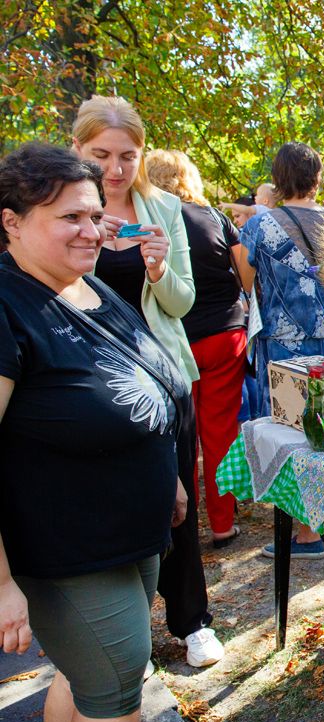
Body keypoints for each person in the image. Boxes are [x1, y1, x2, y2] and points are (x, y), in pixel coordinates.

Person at [0, 142, 189, 722]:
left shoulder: (88, 285)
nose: (89, 230)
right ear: (12, 223)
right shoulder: (8, 306)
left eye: (92, 215)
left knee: (88, 677)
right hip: (67, 548)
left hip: (129, 529)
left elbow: (140, 388)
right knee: (113, 684)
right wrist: (1, 584)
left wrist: (165, 475)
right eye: (68, 218)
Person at [72, 96, 224, 670]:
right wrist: (88, 245)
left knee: (176, 494)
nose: (114, 169)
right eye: (101, 155)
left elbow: (183, 301)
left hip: (162, 375)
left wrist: (158, 268)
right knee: (108, 503)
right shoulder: (61, 210)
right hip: (88, 382)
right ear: (78, 152)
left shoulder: (162, 208)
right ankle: (122, 629)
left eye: (127, 156)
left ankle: (192, 621)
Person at [233, 142, 324, 560]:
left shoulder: (263, 226)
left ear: (278, 179)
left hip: (283, 344)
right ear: (318, 178)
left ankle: (305, 533)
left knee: (291, 435)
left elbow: (244, 281)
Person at [144, 149, 249, 550]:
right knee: (220, 430)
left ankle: (180, 523)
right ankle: (222, 523)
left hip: (173, 338)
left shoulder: (148, 220)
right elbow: (244, 275)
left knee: (178, 435)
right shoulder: (215, 218)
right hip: (224, 334)